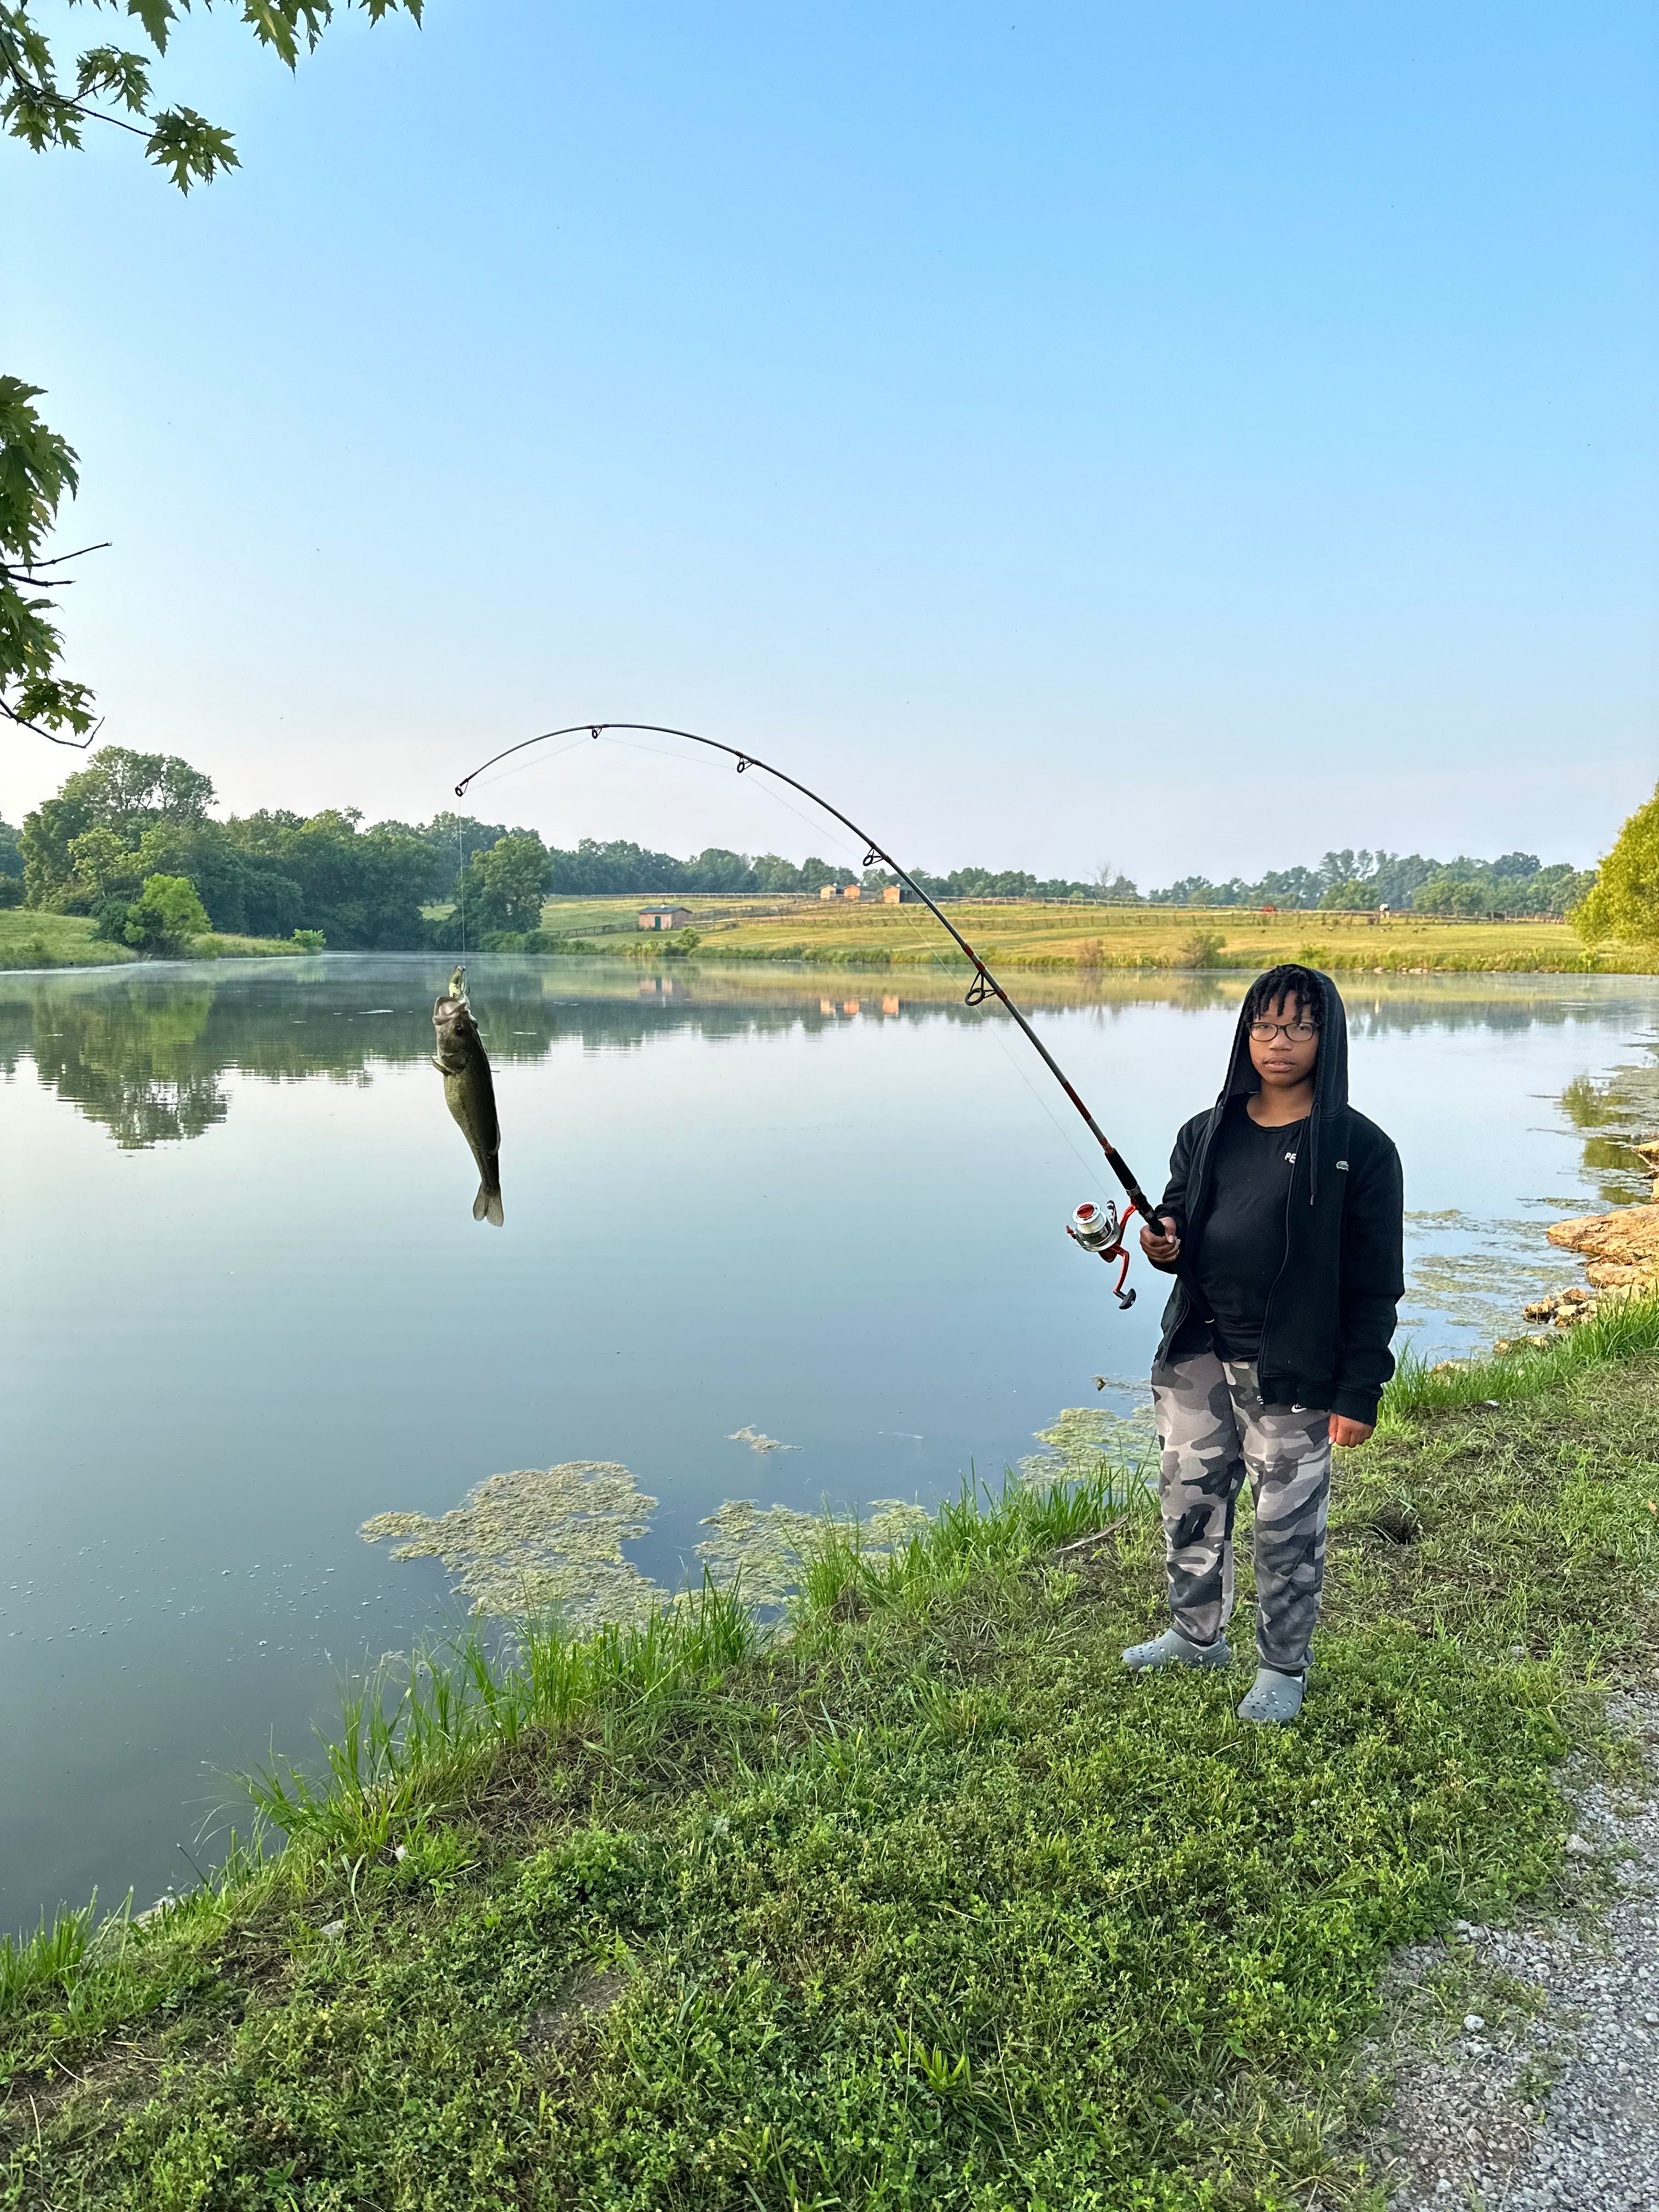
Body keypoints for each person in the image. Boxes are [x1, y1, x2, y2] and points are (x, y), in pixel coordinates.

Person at [1124, 963, 1403, 1725]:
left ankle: (1283, 1667)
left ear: (1328, 1037)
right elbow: (1177, 1226)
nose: (1279, 1042)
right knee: (1188, 1501)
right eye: (1265, 1025)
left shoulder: (1360, 1150)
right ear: (1246, 1033)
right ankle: (1195, 1633)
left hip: (1296, 1370)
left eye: (1299, 1027)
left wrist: (1359, 1391)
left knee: (1287, 1526)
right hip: (1197, 1352)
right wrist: (1161, 1243)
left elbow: (1377, 1285)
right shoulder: (1206, 1130)